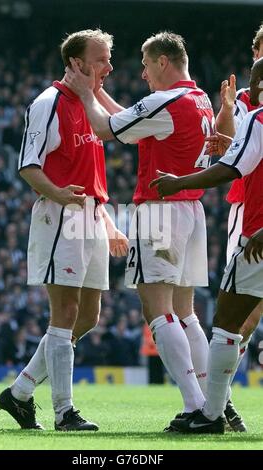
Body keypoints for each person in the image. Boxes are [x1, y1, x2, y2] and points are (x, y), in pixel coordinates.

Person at [64, 31, 214, 425]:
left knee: (157, 308)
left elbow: (104, 129)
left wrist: (83, 93)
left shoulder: (165, 101)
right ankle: (216, 402)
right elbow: (126, 120)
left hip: (161, 212)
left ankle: (195, 406)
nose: (143, 74)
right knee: (186, 312)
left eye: (147, 65)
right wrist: (97, 93)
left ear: (163, 61)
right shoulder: (199, 99)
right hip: (192, 211)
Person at [0, 29, 128, 431]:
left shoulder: (88, 106)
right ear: (75, 62)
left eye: (109, 58)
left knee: (89, 315)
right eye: (101, 59)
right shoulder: (47, 102)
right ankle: (64, 412)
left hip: (90, 214)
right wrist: (59, 194)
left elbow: (91, 174)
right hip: (60, 214)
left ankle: (18, 392)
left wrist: (107, 223)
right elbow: (27, 164)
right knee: (67, 312)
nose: (108, 67)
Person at [150, 56, 263, 433]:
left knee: (227, 323)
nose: (254, 86)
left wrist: (179, 183)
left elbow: (229, 169)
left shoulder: (261, 120)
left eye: (258, 79)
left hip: (258, 239)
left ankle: (212, 414)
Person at [214, 23, 263, 430]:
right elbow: (225, 148)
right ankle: (220, 401)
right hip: (250, 212)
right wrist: (228, 111)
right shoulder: (246, 99)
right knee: (244, 316)